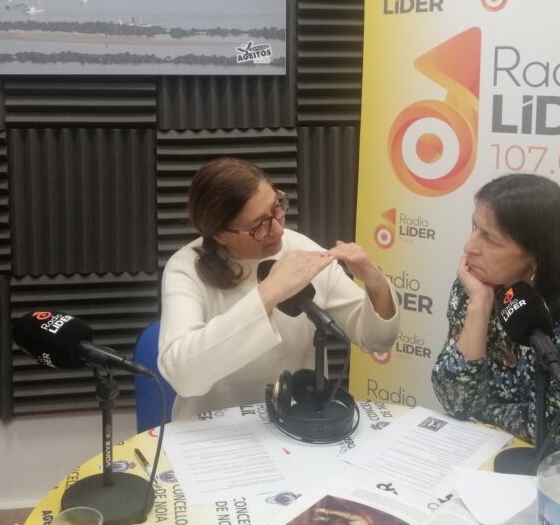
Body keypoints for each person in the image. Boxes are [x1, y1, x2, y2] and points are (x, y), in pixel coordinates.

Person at [431, 173, 560, 500]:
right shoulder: (476, 288)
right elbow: (454, 398)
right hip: (492, 465)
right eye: (474, 227)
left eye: (490, 238)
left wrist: (484, 407)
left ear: (536, 255)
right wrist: (480, 304)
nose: (469, 247)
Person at [159, 157, 399, 419]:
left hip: (298, 423)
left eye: (277, 208)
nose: (278, 229)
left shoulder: (303, 250)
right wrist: (268, 293)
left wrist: (375, 281)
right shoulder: (185, 269)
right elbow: (182, 375)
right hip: (213, 429)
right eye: (258, 226)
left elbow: (376, 339)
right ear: (219, 233)